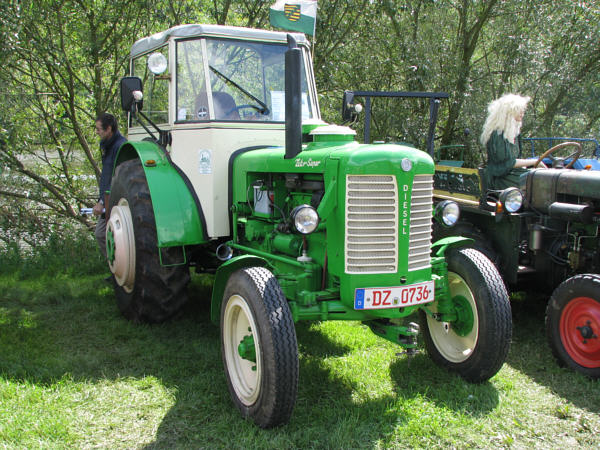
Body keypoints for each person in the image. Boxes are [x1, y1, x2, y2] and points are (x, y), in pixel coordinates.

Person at [480, 94, 546, 190]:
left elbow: (516, 160)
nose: (522, 113)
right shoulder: (497, 135)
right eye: (518, 110)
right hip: (499, 178)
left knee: (543, 176)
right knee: (537, 181)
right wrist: (535, 161)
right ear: (509, 112)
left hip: (512, 174)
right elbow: (508, 163)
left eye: (522, 110)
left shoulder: (515, 134)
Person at [93, 113, 127, 259]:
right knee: (103, 234)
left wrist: (101, 203)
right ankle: (116, 269)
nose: (97, 132)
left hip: (113, 200)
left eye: (99, 129)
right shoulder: (108, 145)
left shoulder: (120, 146)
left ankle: (118, 268)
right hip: (106, 199)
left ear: (109, 129)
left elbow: (115, 178)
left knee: (101, 234)